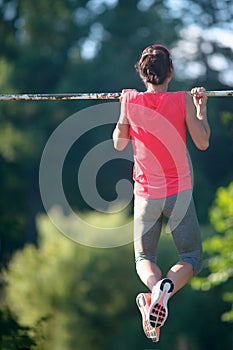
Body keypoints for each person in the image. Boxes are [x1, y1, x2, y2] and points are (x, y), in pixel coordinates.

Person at [112, 44, 210, 342]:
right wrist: (200, 109)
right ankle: (164, 288)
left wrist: (123, 107)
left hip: (145, 196)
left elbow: (118, 143)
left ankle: (156, 290)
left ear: (143, 74)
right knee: (191, 257)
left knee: (144, 256)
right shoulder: (181, 100)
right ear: (170, 72)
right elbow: (203, 142)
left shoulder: (130, 101)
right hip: (178, 193)